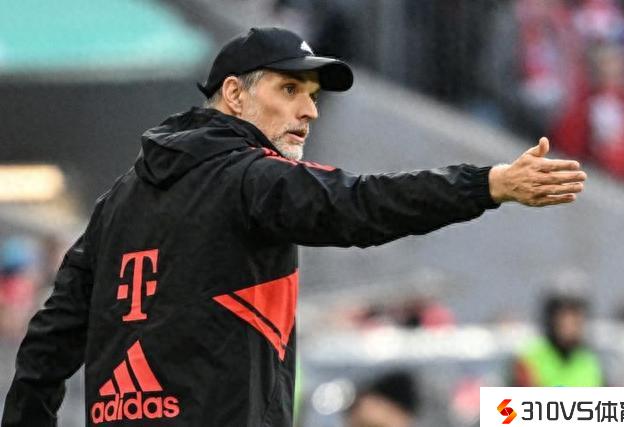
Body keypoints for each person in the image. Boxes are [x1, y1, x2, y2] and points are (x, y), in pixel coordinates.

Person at [2, 27, 586, 426]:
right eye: (289, 90)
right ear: (234, 95)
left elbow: (47, 347)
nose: (309, 110)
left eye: (311, 95)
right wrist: (485, 184)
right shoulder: (251, 178)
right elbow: (362, 203)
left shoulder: (116, 202)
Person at [511, 291, 604, 386]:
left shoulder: (590, 361)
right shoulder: (530, 358)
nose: (569, 327)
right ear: (551, 320)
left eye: (575, 320)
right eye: (564, 319)